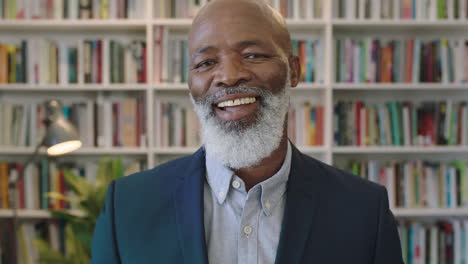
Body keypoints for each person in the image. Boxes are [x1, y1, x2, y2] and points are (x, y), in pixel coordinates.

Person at [91, 0, 403, 263]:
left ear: (293, 70)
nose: (228, 76)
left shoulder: (363, 211)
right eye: (206, 62)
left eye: (253, 55)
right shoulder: (128, 207)